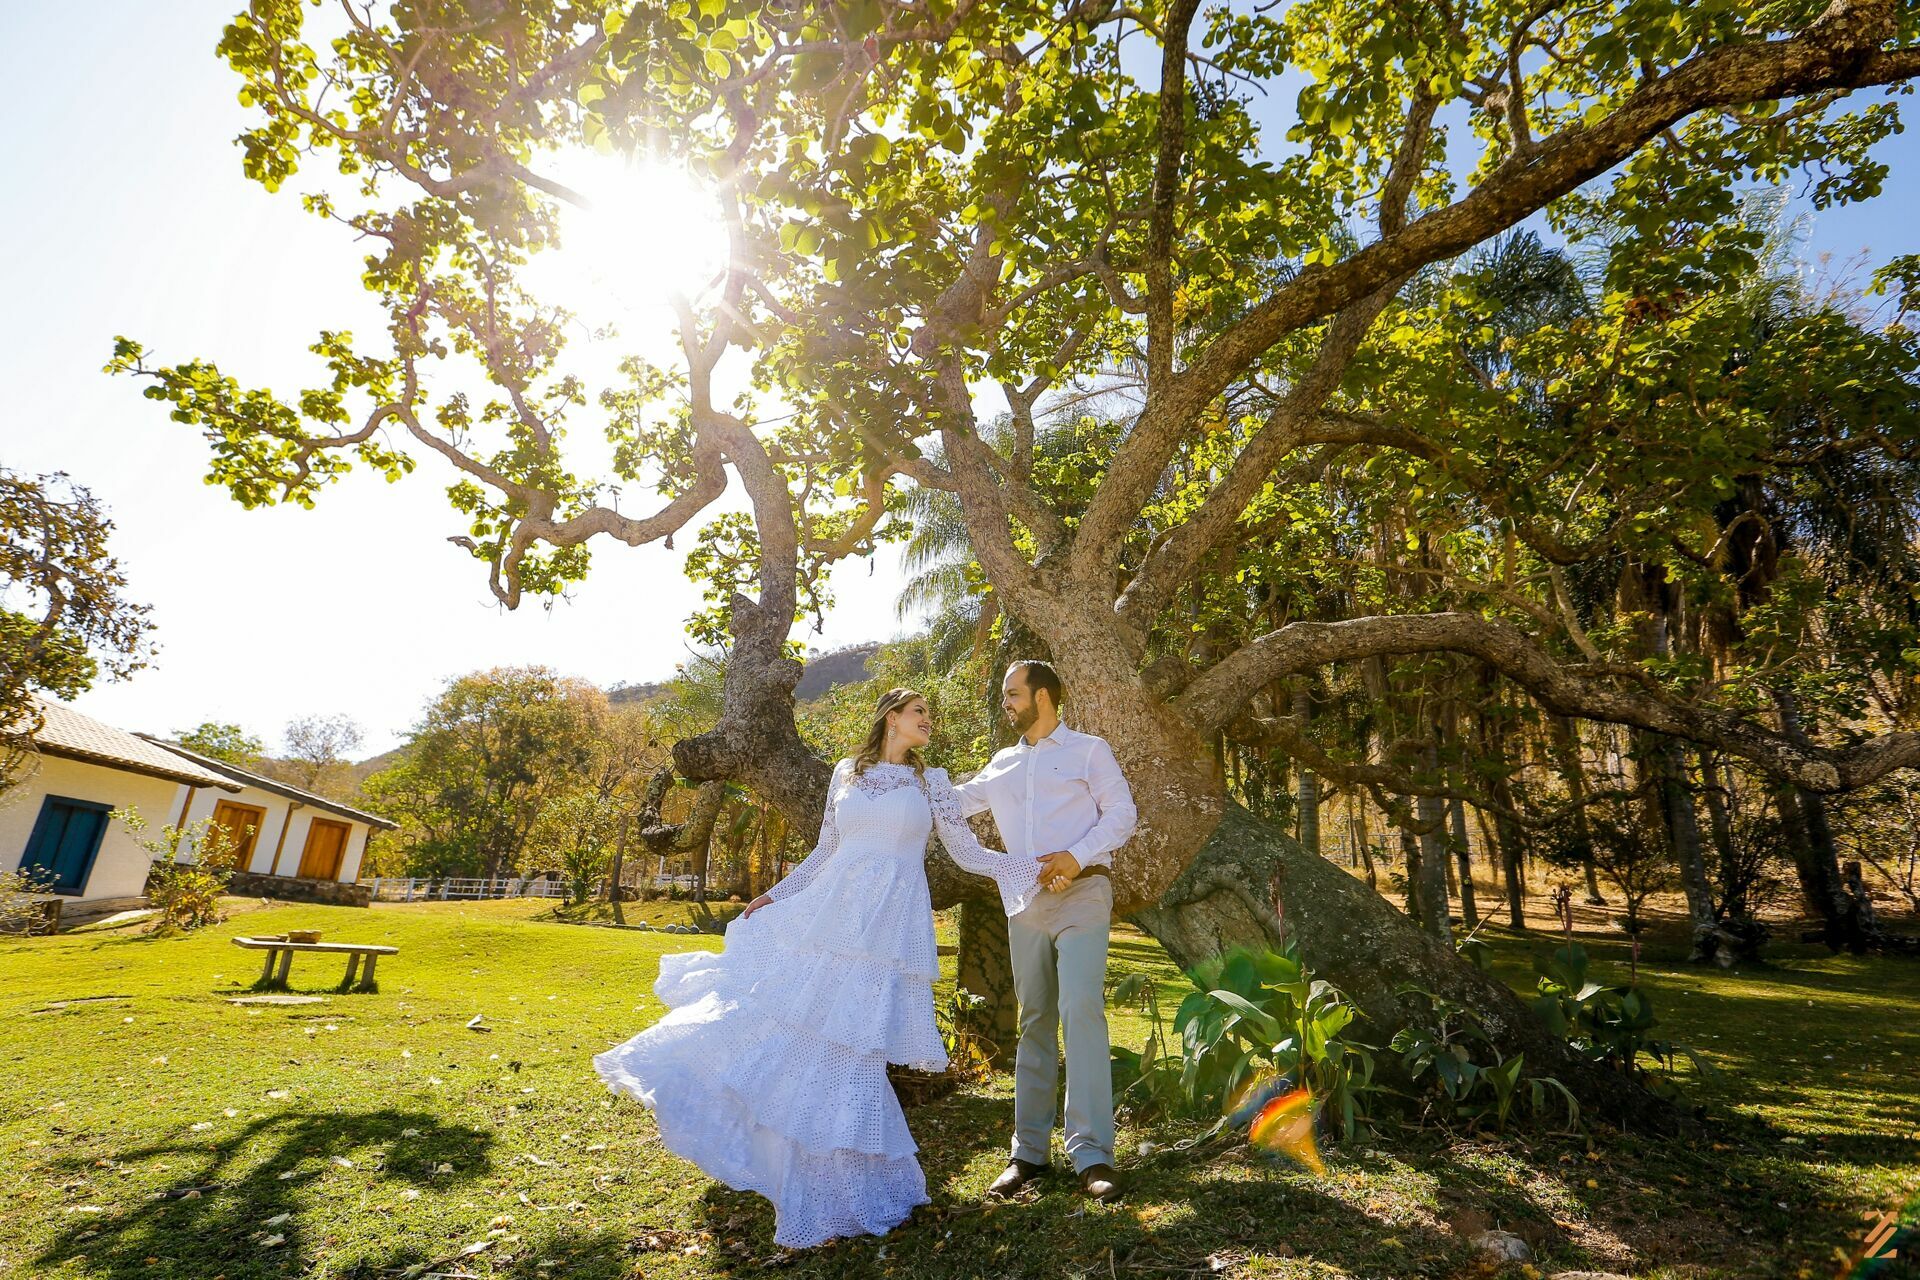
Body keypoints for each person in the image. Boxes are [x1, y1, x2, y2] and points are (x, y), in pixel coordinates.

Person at [592, 688, 1054, 1250]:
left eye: (928, 714)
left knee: (854, 1050)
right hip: (829, 918)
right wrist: (776, 895)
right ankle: (793, 1159)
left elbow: (966, 853)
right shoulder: (846, 773)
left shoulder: (932, 783)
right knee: (797, 1031)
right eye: (919, 713)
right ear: (891, 719)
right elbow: (823, 851)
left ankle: (847, 1184)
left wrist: (1029, 869)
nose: (928, 721)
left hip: (885, 932)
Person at [951, 659, 1137, 1203]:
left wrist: (1075, 859)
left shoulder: (1089, 750)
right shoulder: (1002, 763)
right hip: (1024, 902)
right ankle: (1027, 1153)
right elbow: (955, 802)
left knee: (1081, 1010)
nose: (1005, 703)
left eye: (1013, 694)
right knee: (1034, 1019)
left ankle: (1093, 1154)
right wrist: (892, 777)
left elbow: (1121, 814)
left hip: (1082, 893)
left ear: (1045, 696)